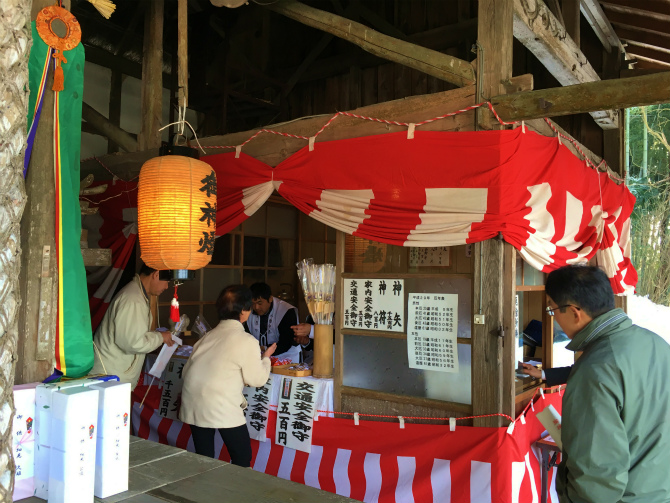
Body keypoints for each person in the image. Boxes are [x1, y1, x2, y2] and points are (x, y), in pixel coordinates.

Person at [545, 265, 670, 503]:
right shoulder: (657, 344)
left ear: (574, 312)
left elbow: (596, 477)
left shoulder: (595, 369)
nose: (555, 318)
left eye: (553, 309)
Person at [179, 285, 276, 467]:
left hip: (193, 401)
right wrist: (266, 359)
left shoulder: (206, 338)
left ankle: (205, 490)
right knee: (242, 457)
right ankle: (235, 493)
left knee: (204, 456)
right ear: (245, 311)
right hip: (221, 403)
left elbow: (186, 372)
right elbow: (257, 379)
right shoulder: (247, 341)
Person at [90, 263, 173, 389]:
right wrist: (160, 337)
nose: (167, 287)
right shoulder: (133, 299)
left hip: (111, 375)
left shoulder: (136, 294)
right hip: (110, 377)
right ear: (156, 275)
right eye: (166, 281)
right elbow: (133, 343)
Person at [246, 282, 301, 362]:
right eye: (253, 303)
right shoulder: (248, 311)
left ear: (270, 298)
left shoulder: (286, 311)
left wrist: (264, 349)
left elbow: (286, 342)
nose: (256, 307)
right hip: (259, 357)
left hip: (287, 357)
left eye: (259, 303)